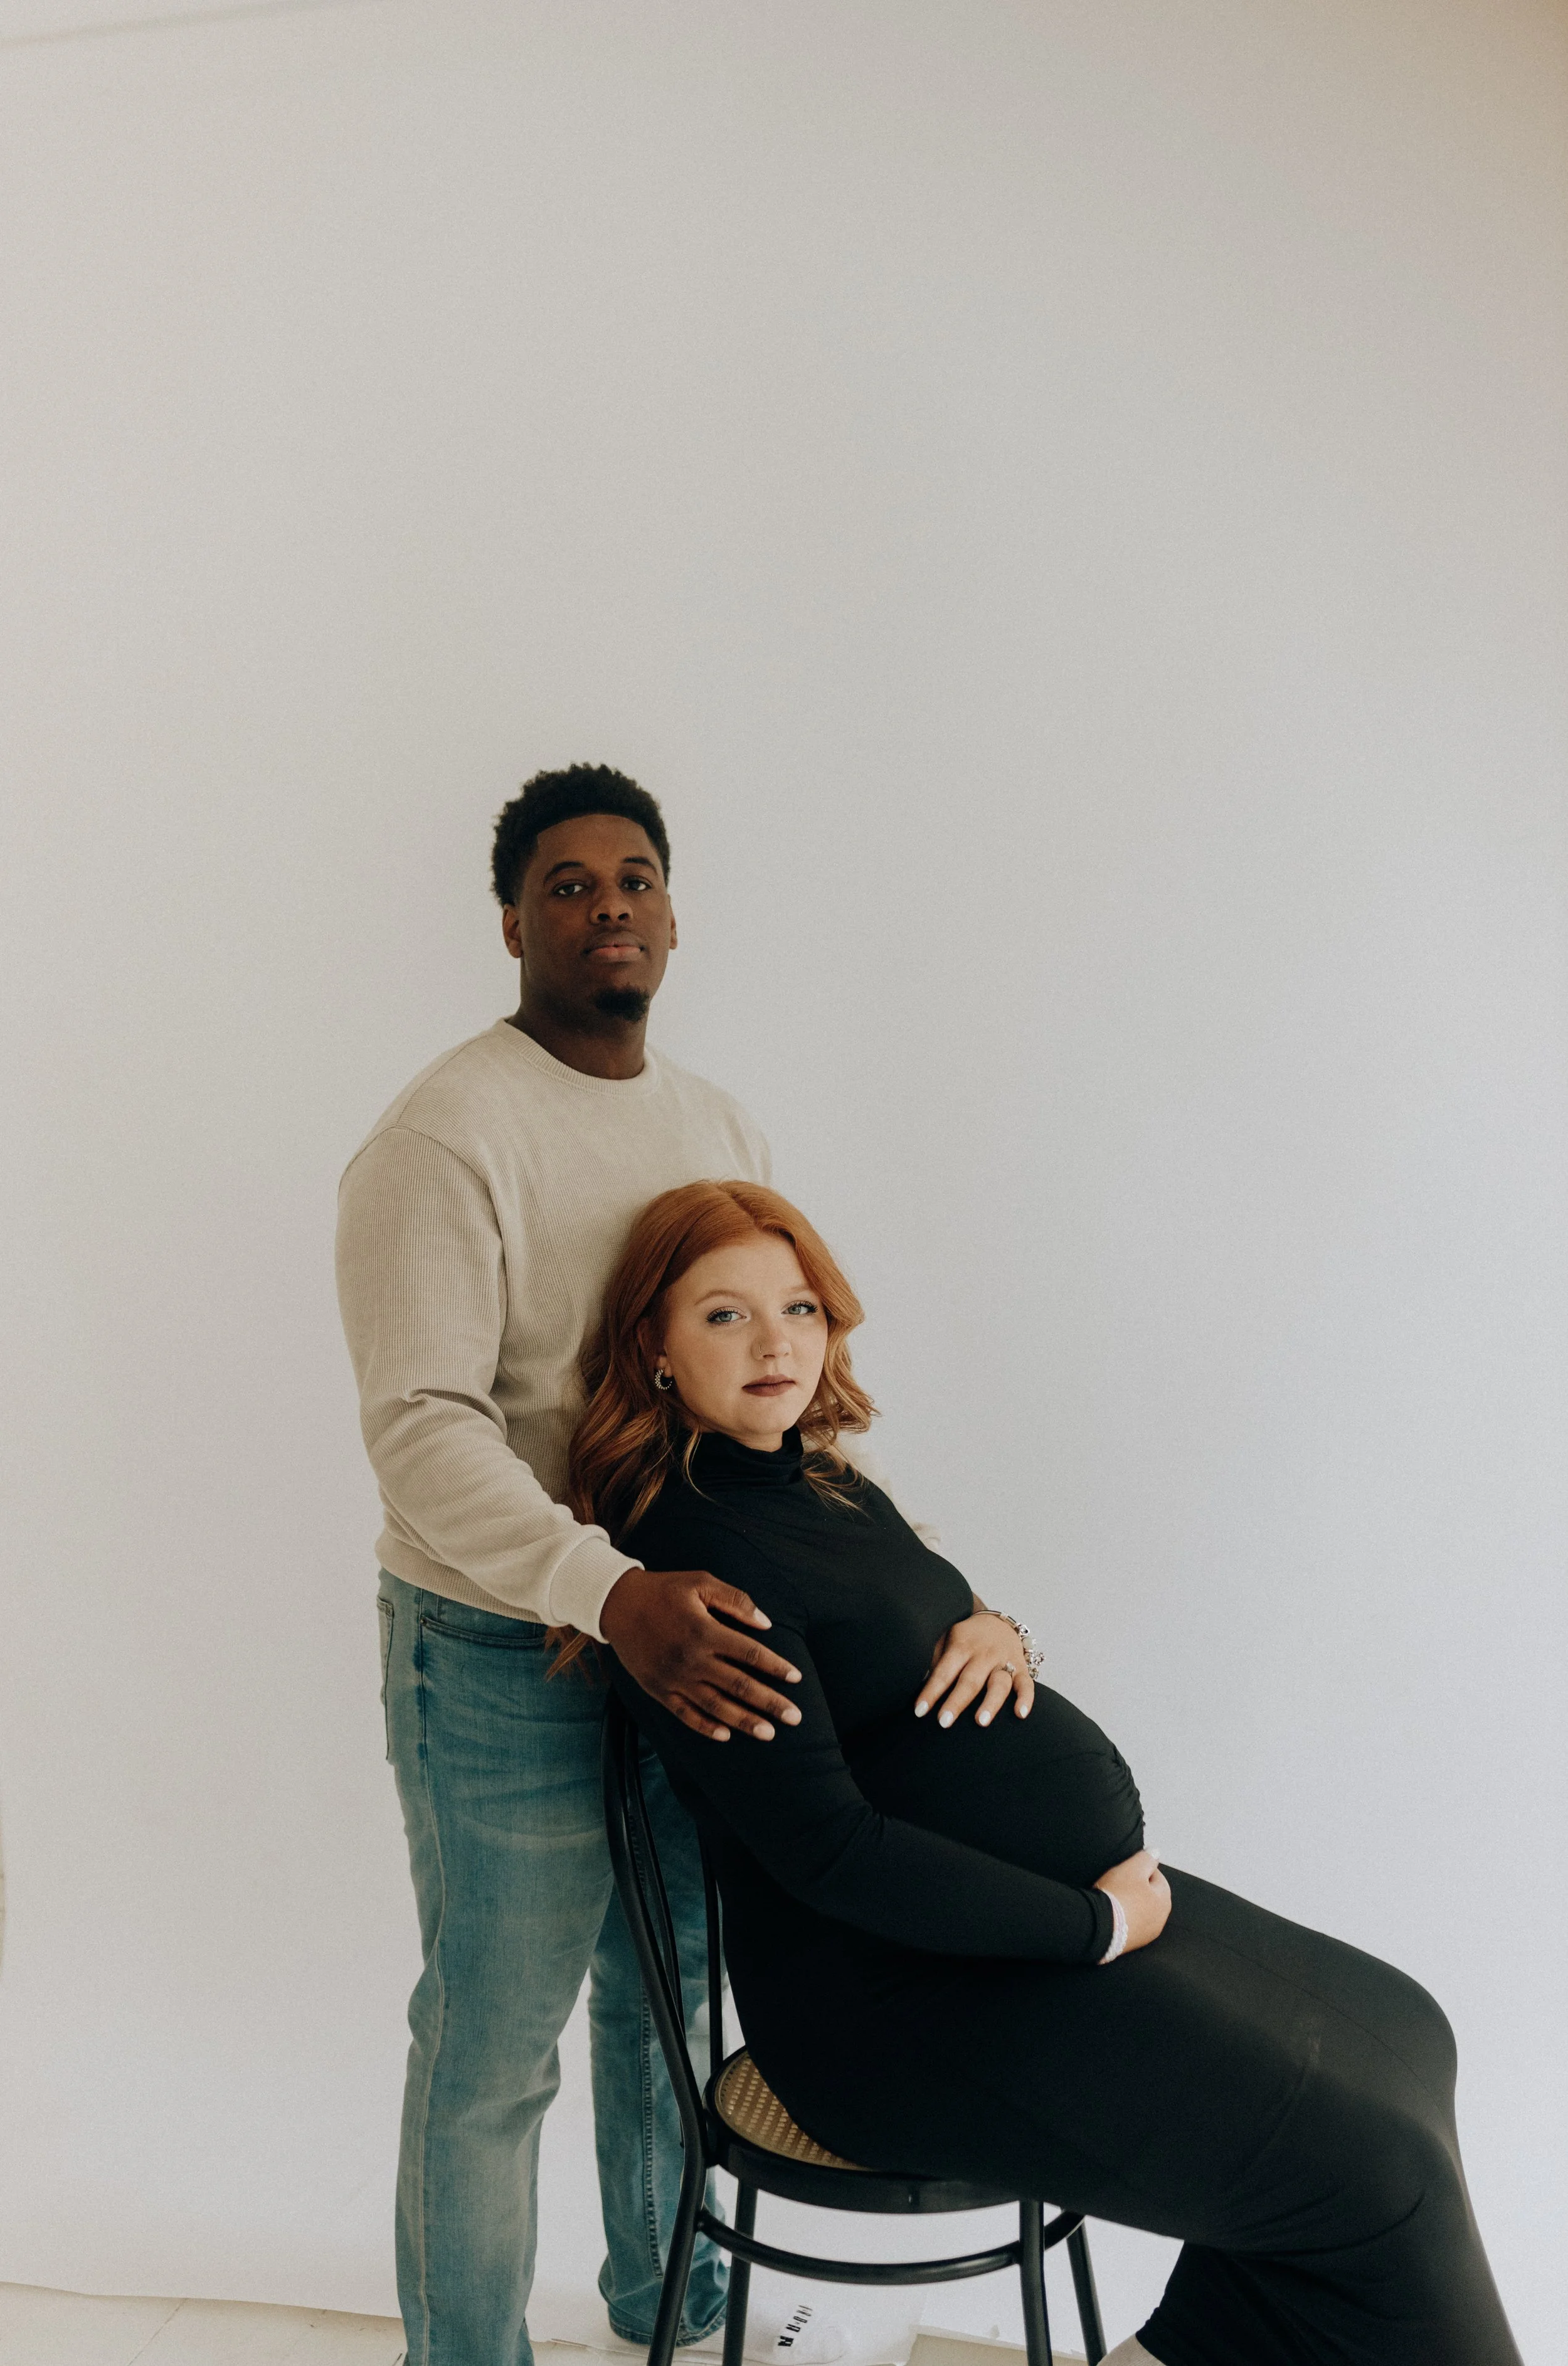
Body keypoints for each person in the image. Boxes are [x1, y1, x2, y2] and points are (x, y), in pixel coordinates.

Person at [567, 1178, 1524, 2366]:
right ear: (652, 1348)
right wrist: (1091, 1930)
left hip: (993, 1942)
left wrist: (993, 1624)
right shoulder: (695, 1573)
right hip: (889, 2008)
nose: (778, 1344)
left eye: (801, 1307)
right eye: (724, 1315)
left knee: (1399, 2030)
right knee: (1369, 2166)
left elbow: (910, 1615)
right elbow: (828, 1853)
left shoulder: (813, 1480)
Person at [335, 768, 1030, 2366]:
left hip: (696, 1633)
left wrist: (958, 1598)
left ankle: (672, 2310)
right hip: (504, 1644)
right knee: (494, 2048)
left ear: (672, 910)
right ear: (510, 922)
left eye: (634, 877)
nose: (607, 907)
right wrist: (606, 1591)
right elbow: (422, 1431)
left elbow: (774, 1396)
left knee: (669, 2004)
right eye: (566, 885)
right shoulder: (441, 1137)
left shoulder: (713, 1125)